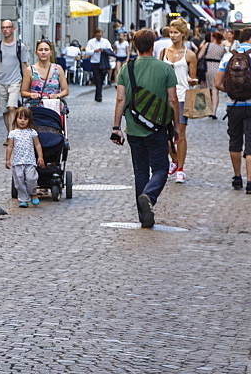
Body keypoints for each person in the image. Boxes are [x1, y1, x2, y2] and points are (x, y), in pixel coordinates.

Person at [112, 28, 180, 229]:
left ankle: (144, 216)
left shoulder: (127, 68)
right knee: (161, 168)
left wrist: (116, 127)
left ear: (135, 46)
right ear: (153, 45)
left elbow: (120, 99)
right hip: (158, 126)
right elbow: (173, 100)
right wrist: (176, 126)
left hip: (133, 127)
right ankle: (149, 196)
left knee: (140, 171)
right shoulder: (166, 69)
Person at [218, 27, 251, 195]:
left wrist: (231, 92)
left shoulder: (228, 56)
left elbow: (217, 83)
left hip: (233, 105)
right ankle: (250, 182)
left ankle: (237, 177)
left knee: (235, 141)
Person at [160, 19, 198, 183]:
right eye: (171, 32)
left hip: (182, 96)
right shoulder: (163, 52)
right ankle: (174, 160)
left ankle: (180, 169)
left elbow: (194, 77)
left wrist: (192, 80)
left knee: (180, 134)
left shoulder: (190, 55)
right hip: (164, 96)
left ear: (183, 34)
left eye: (175, 32)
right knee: (163, 135)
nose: (172, 35)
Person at [0, 19, 28, 135]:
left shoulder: (20, 46)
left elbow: (24, 65)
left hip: (15, 81)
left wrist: (26, 82)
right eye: (3, 28)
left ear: (13, 29)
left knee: (12, 107)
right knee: (4, 111)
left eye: (7, 27)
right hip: (0, 81)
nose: (5, 30)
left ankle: (11, 136)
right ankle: (10, 133)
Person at [6, 106, 45, 208]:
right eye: (20, 118)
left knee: (31, 179)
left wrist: (40, 156)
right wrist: (7, 159)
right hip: (18, 162)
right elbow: (10, 147)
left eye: (25, 119)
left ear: (29, 120)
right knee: (19, 181)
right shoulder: (13, 133)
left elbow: (37, 145)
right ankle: (23, 199)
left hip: (30, 161)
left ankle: (33, 193)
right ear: (16, 119)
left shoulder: (32, 132)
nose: (22, 121)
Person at [20, 39, 69, 112]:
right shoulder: (30, 70)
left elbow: (65, 90)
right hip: (36, 110)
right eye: (40, 50)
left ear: (51, 53)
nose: (43, 52)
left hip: (53, 110)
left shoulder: (58, 69)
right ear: (36, 53)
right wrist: (31, 95)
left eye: (46, 50)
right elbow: (23, 92)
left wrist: (57, 95)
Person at [199, 31, 226, 119]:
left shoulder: (207, 45)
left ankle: (208, 110)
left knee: (207, 90)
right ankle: (214, 112)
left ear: (213, 37)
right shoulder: (222, 48)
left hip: (206, 68)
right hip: (218, 69)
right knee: (215, 91)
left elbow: (199, 56)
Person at [85, 28, 114, 102]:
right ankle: (98, 96)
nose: (98, 37)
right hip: (95, 62)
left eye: (100, 36)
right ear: (95, 35)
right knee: (97, 80)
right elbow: (87, 52)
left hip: (103, 63)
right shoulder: (91, 42)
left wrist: (103, 50)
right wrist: (94, 51)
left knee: (101, 79)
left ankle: (98, 94)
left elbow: (110, 50)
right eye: (97, 36)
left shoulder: (105, 41)